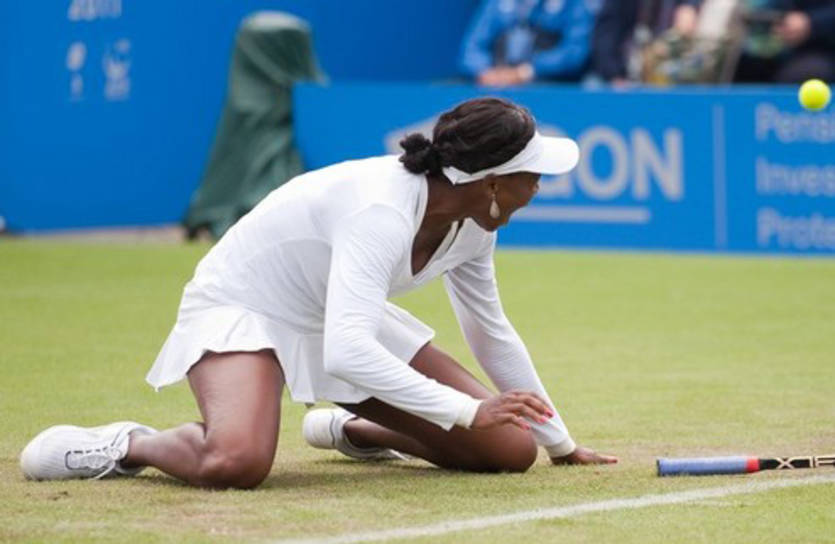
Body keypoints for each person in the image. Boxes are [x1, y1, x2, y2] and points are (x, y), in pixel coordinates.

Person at [20, 98, 617, 489]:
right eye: (531, 176)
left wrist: (560, 443)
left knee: (509, 449)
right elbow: (349, 351)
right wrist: (465, 410)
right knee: (235, 463)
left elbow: (490, 332)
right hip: (247, 305)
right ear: (489, 182)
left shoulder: (474, 224)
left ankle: (354, 431)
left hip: (339, 313)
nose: (539, 188)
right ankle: (130, 444)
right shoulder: (381, 211)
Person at [459, 0, 602, 86]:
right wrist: (485, 71)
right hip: (495, 84)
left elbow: (574, 52)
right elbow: (472, 48)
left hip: (548, 86)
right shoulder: (496, 4)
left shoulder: (574, 4)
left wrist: (525, 72)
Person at [592, 0, 703, 86]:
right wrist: (614, 76)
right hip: (629, 75)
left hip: (679, 75)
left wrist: (690, 7)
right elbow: (606, 35)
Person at [734, 0, 835, 83]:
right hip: (788, 55)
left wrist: (811, 22)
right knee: (741, 68)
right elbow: (773, 8)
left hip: (825, 55)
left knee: (802, 73)